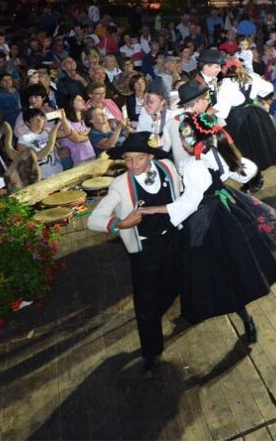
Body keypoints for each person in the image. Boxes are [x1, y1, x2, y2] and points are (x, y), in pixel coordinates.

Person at [141, 111, 276, 337]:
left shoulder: (193, 166)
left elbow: (189, 203)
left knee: (205, 266)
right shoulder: (215, 152)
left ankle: (215, 310)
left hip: (207, 217)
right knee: (231, 265)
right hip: (228, 208)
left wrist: (155, 209)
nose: (181, 142)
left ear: (191, 142)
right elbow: (245, 171)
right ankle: (245, 319)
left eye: (183, 138)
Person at [86, 134, 185, 377]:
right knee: (146, 303)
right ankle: (150, 354)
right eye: (128, 160)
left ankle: (154, 317)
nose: (134, 165)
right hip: (145, 250)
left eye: (139, 158)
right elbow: (93, 220)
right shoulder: (120, 185)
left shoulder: (168, 167)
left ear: (151, 156)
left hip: (173, 241)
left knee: (176, 286)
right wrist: (121, 223)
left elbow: (180, 194)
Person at [16, 109, 64, 179]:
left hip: (59, 172)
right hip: (43, 178)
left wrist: (63, 119)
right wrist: (56, 127)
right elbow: (36, 157)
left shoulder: (47, 131)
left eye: (41, 118)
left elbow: (68, 132)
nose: (39, 121)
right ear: (27, 123)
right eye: (35, 119)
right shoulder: (24, 139)